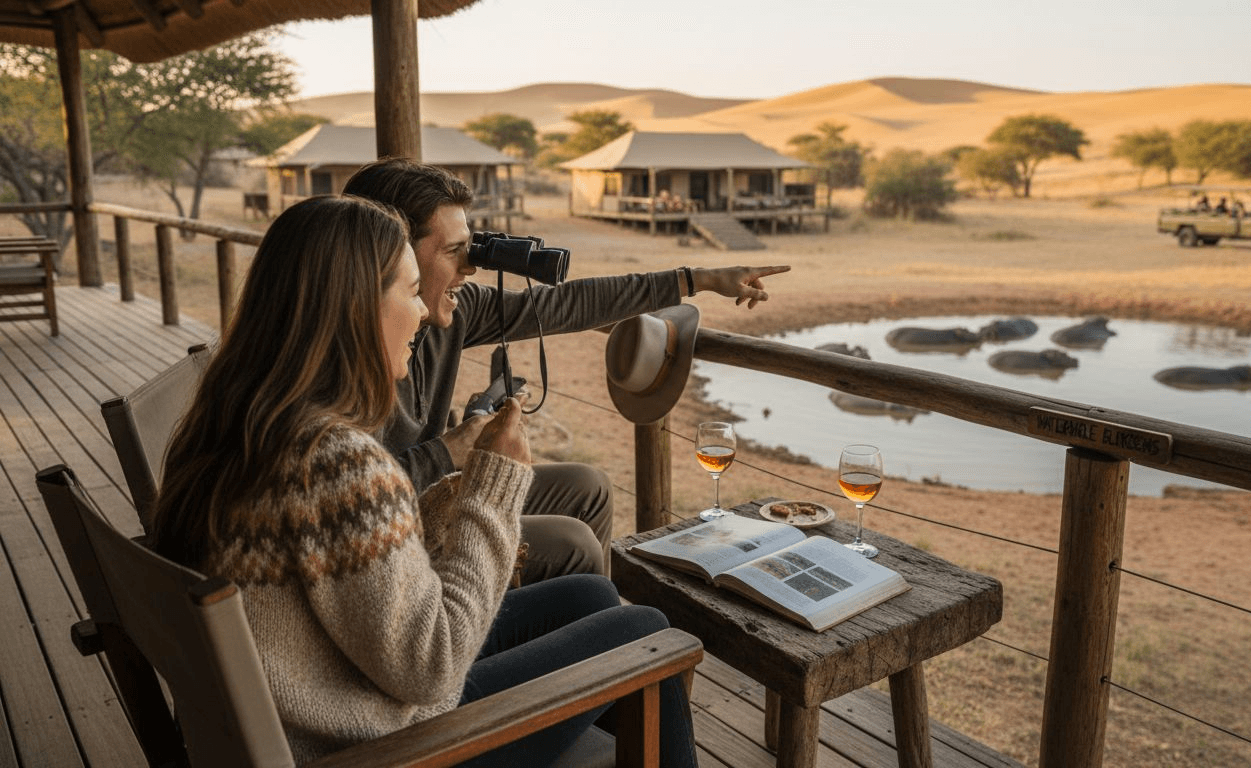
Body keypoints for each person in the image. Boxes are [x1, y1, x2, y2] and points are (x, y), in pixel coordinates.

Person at [148, 195, 696, 766]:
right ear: (356, 308)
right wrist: (494, 485)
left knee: (592, 594)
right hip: (388, 747)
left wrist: (442, 504)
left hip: (329, 699)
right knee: (646, 633)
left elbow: (346, 569)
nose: (423, 316)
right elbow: (432, 667)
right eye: (411, 293)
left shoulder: (237, 425)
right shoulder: (335, 461)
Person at [343, 158, 789, 583]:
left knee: (588, 485)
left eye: (471, 247)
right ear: (388, 252)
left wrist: (697, 279)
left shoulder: (453, 313)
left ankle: (569, 620)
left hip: (441, 492)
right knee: (572, 544)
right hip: (395, 536)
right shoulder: (339, 365)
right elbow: (343, 505)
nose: (471, 266)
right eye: (455, 251)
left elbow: (565, 304)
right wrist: (449, 450)